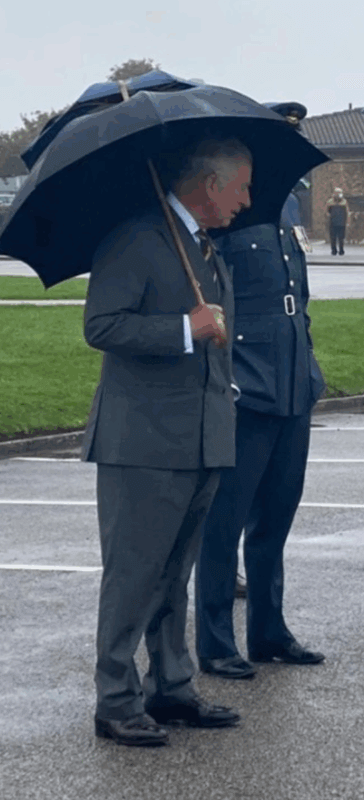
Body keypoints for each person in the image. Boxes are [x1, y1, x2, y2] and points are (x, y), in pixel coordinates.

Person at [83, 136, 251, 747]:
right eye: (241, 188)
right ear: (211, 185)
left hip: (199, 438)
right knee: (133, 574)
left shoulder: (200, 246)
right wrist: (186, 328)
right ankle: (116, 699)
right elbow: (101, 324)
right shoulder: (137, 238)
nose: (247, 200)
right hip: (144, 442)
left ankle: (171, 687)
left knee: (173, 573)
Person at [195, 103, 327, 682]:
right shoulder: (229, 214)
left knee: (276, 517)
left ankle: (269, 630)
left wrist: (309, 368)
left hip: (293, 380)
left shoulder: (287, 207)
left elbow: (297, 299)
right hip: (246, 381)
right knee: (225, 523)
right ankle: (217, 641)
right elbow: (211, 296)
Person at [327, 188, 348, 255]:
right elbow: (327, 211)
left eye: (340, 193)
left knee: (341, 238)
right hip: (332, 222)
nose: (338, 194)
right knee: (333, 238)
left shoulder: (344, 202)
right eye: (337, 193)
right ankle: (334, 250)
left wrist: (347, 222)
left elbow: (347, 212)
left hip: (341, 223)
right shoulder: (330, 202)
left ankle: (341, 250)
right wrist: (329, 217)